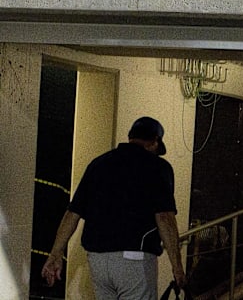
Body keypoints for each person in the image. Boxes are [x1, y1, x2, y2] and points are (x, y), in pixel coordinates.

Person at [41, 116, 186, 299]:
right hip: (134, 260)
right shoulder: (158, 167)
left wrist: (55, 254)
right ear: (154, 142)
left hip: (98, 260)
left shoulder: (98, 164)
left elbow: (73, 213)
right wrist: (177, 267)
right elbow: (164, 217)